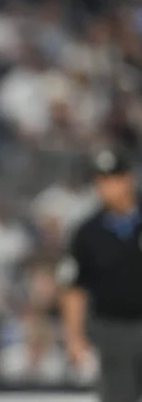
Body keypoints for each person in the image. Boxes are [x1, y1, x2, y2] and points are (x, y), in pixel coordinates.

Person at [59, 149, 142, 402]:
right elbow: (75, 287)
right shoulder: (87, 232)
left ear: (129, 179)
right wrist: (74, 337)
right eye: (102, 180)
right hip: (112, 329)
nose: (107, 187)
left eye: (114, 178)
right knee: (118, 396)